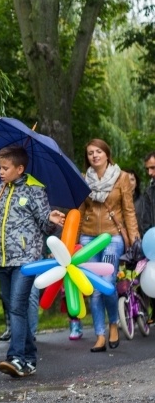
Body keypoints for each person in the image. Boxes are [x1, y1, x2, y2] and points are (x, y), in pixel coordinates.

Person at [0, 145, 64, 378]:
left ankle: (15, 357)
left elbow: (45, 226)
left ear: (20, 168)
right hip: (2, 260)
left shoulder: (35, 191)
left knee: (17, 306)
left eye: (5, 168)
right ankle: (29, 359)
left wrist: (52, 219)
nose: (1, 172)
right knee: (14, 308)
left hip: (26, 259)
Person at [76, 139, 138, 353]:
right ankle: (100, 335)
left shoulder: (121, 178)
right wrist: (73, 240)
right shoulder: (84, 180)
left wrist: (134, 237)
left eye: (98, 152)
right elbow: (81, 210)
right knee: (93, 289)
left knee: (107, 284)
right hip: (88, 238)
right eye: (90, 153)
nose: (94, 156)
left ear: (106, 154)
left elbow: (128, 210)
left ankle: (114, 322)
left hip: (113, 237)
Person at [123, 167, 144, 233]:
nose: (129, 182)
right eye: (126, 179)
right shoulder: (115, 200)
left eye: (132, 179)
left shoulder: (143, 201)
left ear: (136, 183)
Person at [138, 151, 155, 235]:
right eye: (147, 169)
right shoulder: (149, 192)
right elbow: (145, 224)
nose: (150, 173)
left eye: (153, 168)